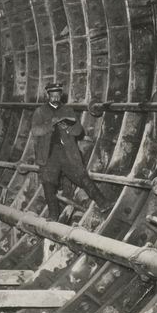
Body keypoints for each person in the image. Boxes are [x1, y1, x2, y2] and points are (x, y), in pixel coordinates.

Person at [29, 82, 111, 223]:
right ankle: (53, 215)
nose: (55, 98)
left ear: (61, 95)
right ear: (47, 95)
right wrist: (51, 124)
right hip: (49, 153)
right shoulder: (40, 112)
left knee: (82, 177)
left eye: (57, 95)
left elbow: (78, 131)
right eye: (52, 95)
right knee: (48, 183)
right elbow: (36, 131)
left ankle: (104, 204)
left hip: (67, 151)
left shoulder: (67, 111)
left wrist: (67, 126)